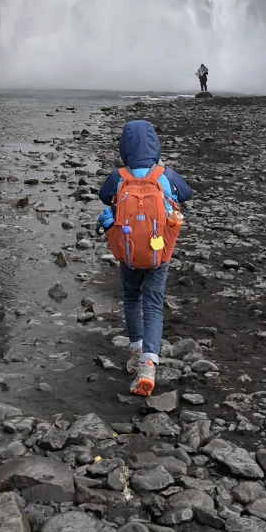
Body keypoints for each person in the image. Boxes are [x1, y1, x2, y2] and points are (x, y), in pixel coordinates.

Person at [97, 120, 192, 396]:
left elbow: (104, 196)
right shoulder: (165, 174)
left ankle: (135, 352)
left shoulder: (119, 176)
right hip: (158, 250)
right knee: (153, 305)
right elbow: (186, 194)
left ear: (124, 148)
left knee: (131, 298)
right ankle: (148, 364)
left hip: (127, 251)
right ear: (154, 145)